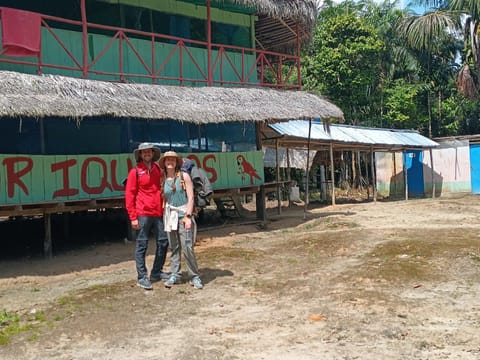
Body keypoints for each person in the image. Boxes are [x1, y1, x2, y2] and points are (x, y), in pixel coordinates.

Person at [125, 143, 169, 290]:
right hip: (142, 212)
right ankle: (142, 277)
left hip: (158, 212)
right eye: (144, 152)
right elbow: (129, 195)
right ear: (140, 155)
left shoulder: (158, 169)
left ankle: (156, 272)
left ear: (152, 153)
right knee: (142, 245)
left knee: (163, 242)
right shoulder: (135, 172)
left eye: (149, 151)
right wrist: (133, 217)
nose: (147, 154)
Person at [160, 151, 204, 290]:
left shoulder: (184, 176)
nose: (170, 162)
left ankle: (194, 276)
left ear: (177, 162)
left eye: (173, 160)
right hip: (170, 215)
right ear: (164, 163)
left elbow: (190, 197)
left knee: (187, 246)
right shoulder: (163, 179)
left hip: (184, 214)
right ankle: (175, 274)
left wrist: (188, 216)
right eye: (167, 160)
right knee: (174, 247)